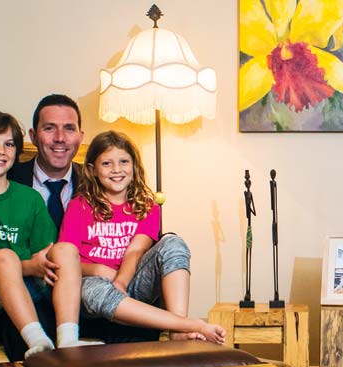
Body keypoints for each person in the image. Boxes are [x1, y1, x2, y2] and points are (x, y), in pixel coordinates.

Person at [0, 109, 95, 358]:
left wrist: (39, 265)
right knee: (4, 257)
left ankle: (68, 338)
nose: (1, 151)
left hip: (32, 286)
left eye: (9, 144)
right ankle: (36, 340)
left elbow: (45, 251)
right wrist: (30, 266)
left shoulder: (29, 198)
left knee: (65, 249)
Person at [59, 131, 226, 343]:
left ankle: (178, 328)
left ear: (134, 166)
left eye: (123, 162)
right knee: (93, 289)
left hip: (132, 281)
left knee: (173, 242)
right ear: (92, 170)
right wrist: (99, 270)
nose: (117, 169)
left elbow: (136, 250)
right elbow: (66, 260)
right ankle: (189, 324)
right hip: (93, 286)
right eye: (107, 163)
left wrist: (120, 281)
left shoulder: (147, 206)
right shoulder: (80, 206)